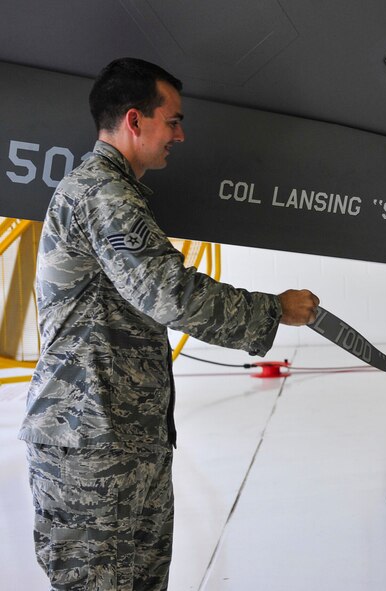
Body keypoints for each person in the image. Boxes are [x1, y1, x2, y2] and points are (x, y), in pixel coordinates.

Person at [18, 57, 320, 590]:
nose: (180, 135)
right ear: (135, 120)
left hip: (120, 439)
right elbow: (170, 294)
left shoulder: (116, 193)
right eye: (173, 121)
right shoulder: (102, 194)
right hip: (92, 444)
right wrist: (273, 310)